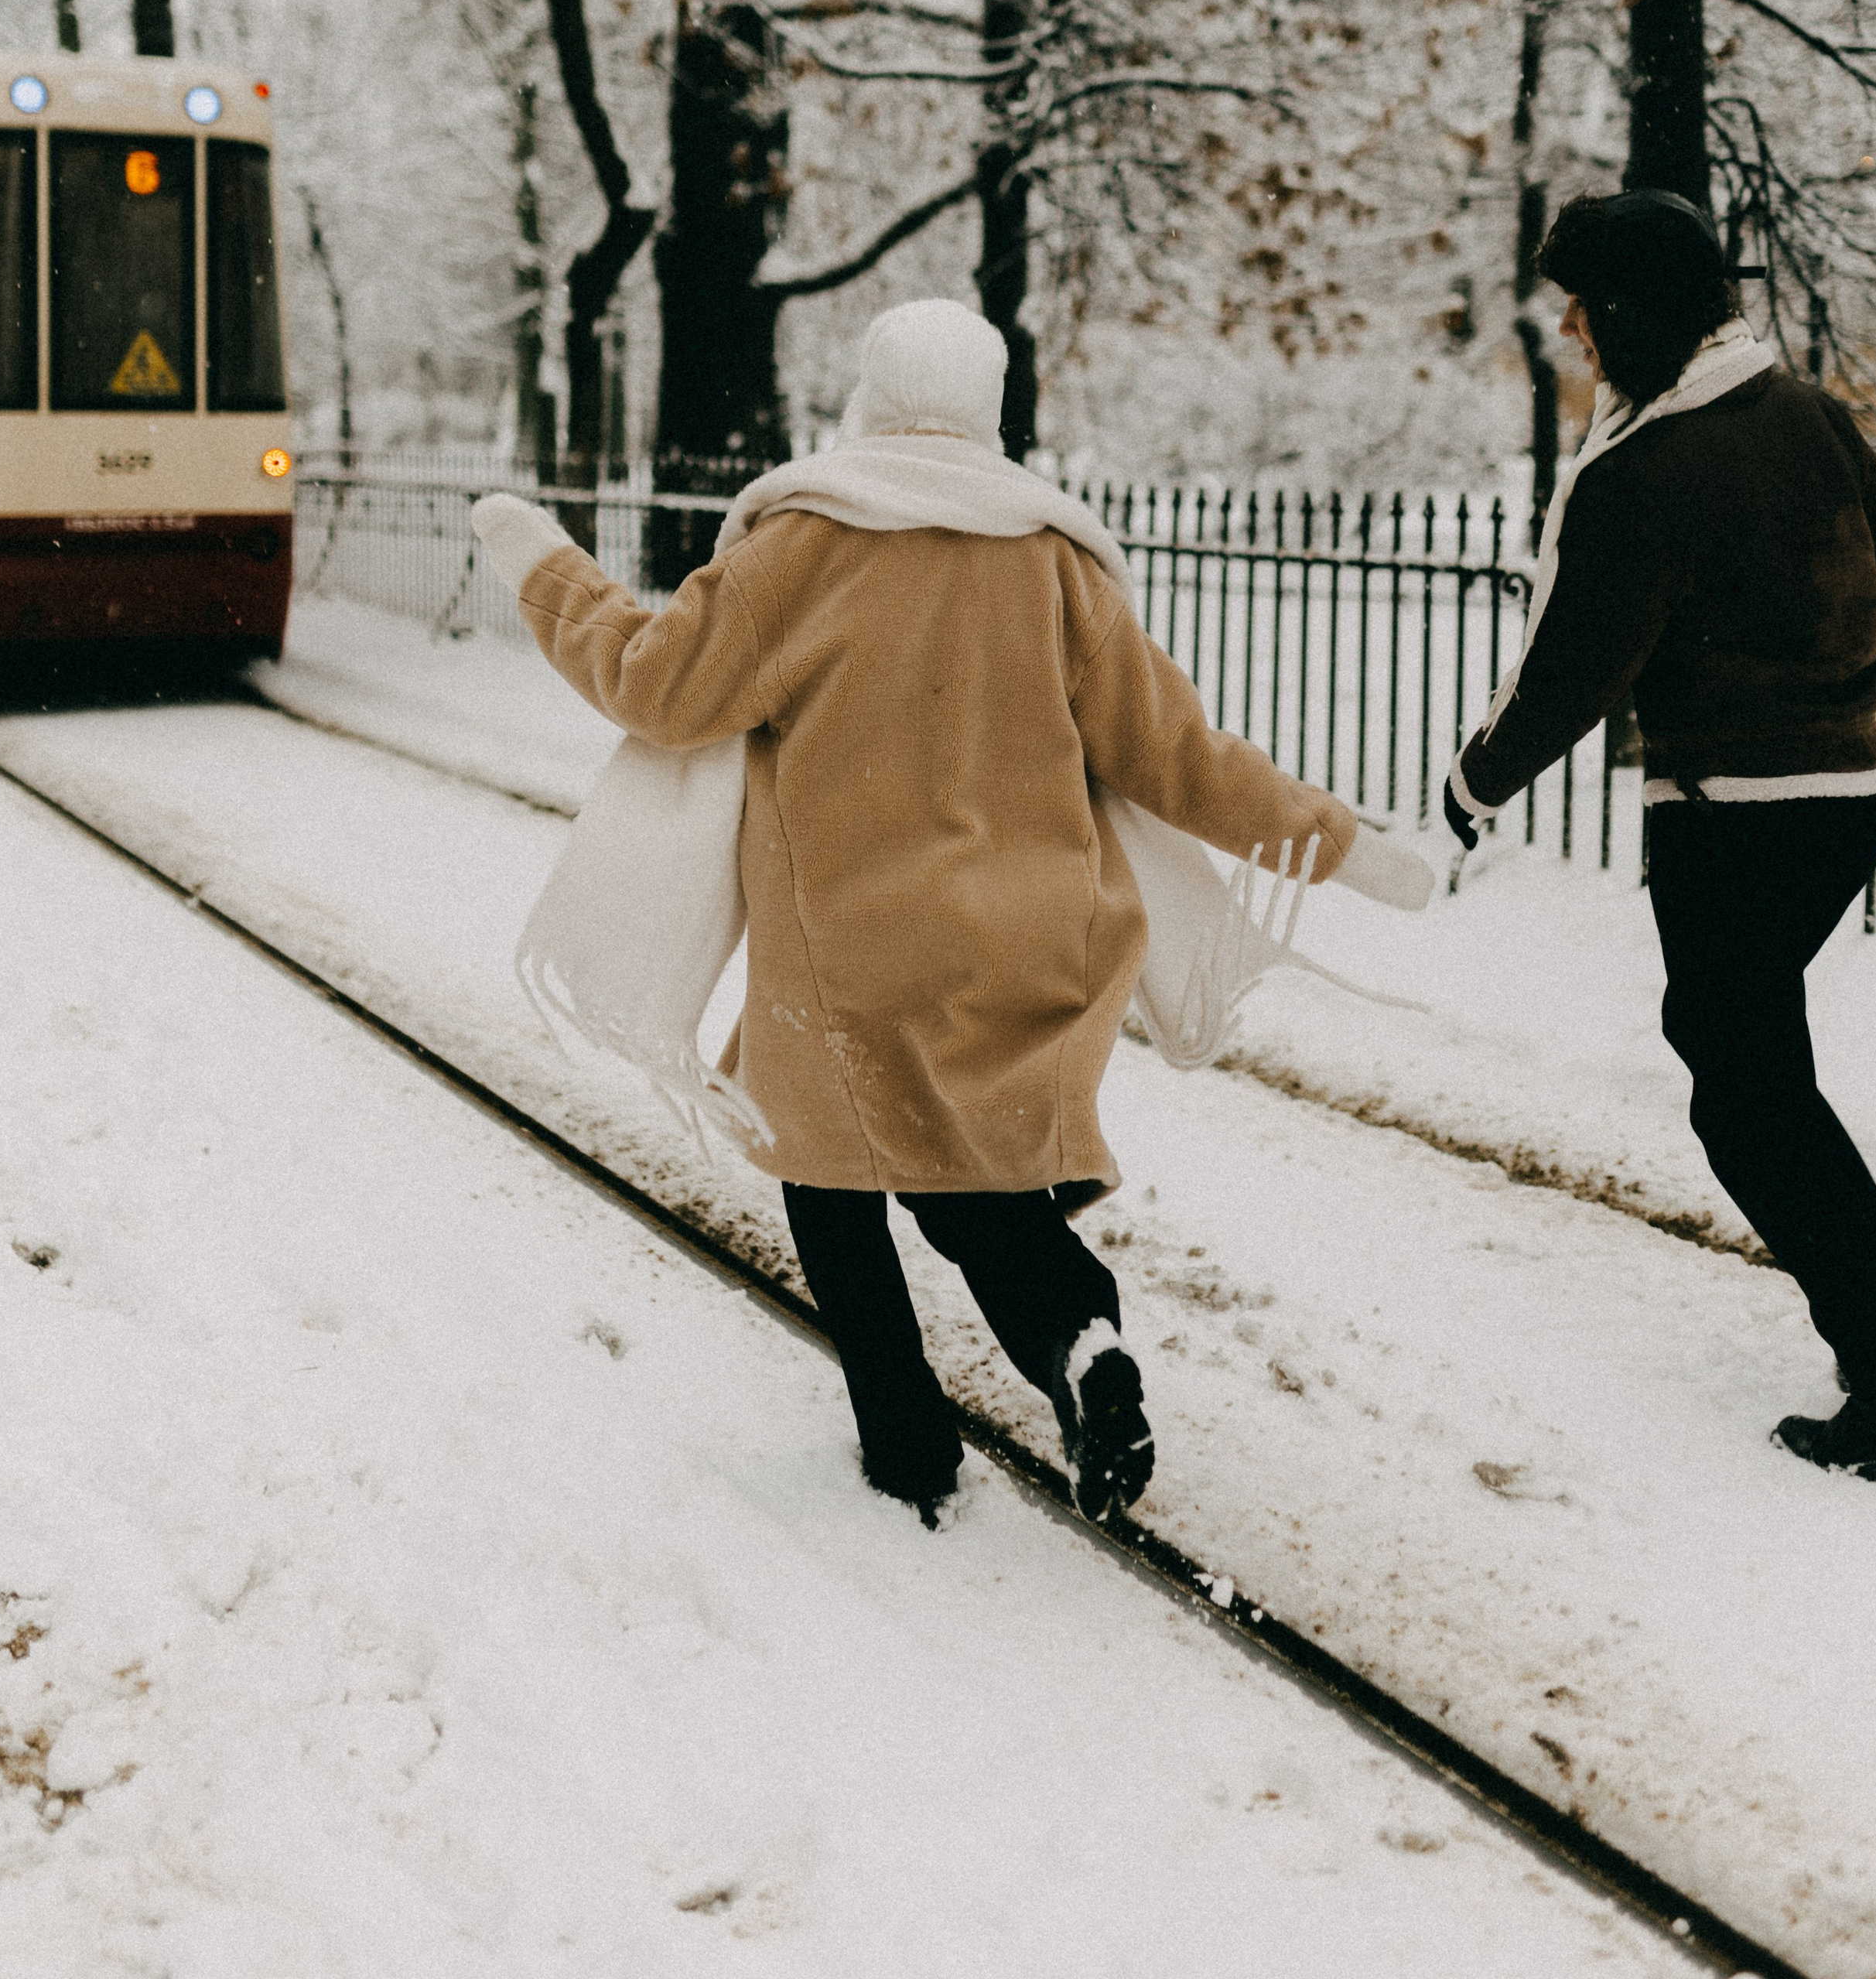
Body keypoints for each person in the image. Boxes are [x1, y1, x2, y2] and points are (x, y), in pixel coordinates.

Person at [476, 302, 1365, 1529]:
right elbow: (1177, 756)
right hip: (1031, 940)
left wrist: (548, 570)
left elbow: (658, 686)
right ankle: (1079, 1337)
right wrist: (1334, 837)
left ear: (873, 395)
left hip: (846, 950)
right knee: (975, 1184)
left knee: (831, 1188)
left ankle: (907, 1443)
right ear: (988, 407)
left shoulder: (802, 543)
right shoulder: (1055, 563)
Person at [1444, 190, 1876, 1484]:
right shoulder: (1802, 412)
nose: (1570, 327)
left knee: (1743, 1094)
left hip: (1734, 816)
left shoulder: (1642, 473)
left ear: (1632, 312)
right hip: (1844, 800)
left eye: (1582, 304)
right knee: (1750, 1061)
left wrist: (1472, 786)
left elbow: (1569, 672)